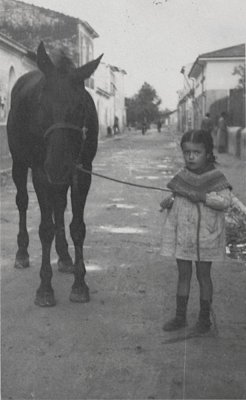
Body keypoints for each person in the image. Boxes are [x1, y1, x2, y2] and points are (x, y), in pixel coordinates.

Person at [160, 129, 232, 334]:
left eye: (196, 152)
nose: (191, 157)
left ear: (208, 153)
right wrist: (169, 201)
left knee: (203, 275)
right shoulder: (182, 176)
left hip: (205, 236)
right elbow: (175, 196)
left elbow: (225, 202)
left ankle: (204, 320)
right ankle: (180, 316)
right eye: (186, 152)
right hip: (183, 235)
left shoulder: (216, 177)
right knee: (183, 274)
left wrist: (204, 197)